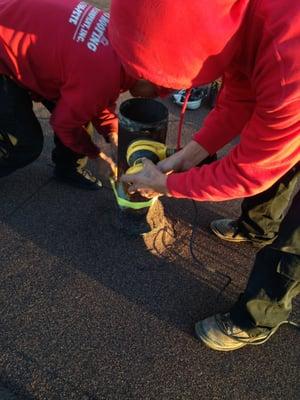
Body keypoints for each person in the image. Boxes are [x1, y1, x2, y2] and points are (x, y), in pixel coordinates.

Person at [108, 0, 300, 351]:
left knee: (296, 236)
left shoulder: (288, 63)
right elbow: (240, 99)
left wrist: (166, 184)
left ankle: (258, 317)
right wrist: (185, 157)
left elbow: (248, 172)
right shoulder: (241, 22)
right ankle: (256, 227)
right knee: (283, 159)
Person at [0, 0, 157, 189]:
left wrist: (111, 133)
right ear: (146, 77)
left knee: (80, 115)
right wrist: (95, 154)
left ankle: (67, 169)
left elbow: (92, 98)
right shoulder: (103, 73)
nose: (148, 97)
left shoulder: (123, 43)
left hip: (15, 27)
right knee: (27, 144)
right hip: (4, 55)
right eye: (154, 92)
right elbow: (64, 123)